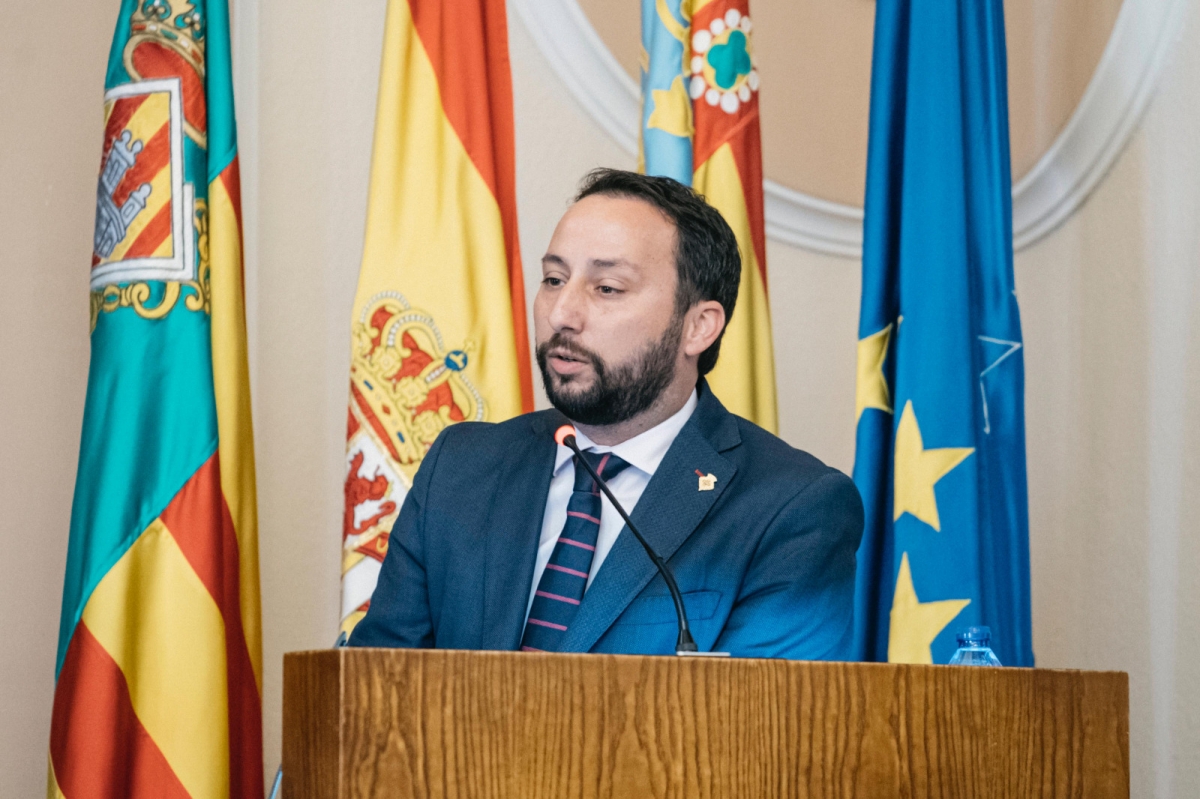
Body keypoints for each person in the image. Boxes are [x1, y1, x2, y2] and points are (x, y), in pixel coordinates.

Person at [348, 169, 863, 658]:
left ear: (699, 327)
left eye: (607, 288)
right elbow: (375, 690)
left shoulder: (792, 509)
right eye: (554, 279)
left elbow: (759, 717)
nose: (561, 314)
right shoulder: (462, 466)